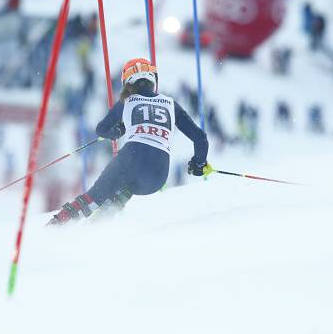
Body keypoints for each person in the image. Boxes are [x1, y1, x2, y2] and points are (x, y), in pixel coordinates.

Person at [48, 58, 211, 225]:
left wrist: (117, 131)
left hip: (131, 159)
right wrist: (199, 163)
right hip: (158, 175)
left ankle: (57, 225)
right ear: (152, 79)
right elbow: (200, 138)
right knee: (128, 187)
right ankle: (101, 222)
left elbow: (102, 130)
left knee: (95, 196)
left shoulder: (127, 102)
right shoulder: (171, 104)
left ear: (128, 82)